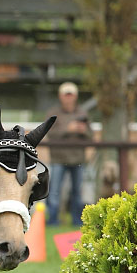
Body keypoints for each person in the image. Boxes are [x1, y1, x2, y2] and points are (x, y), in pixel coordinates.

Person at [45, 81, 93, 226]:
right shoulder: (53, 113)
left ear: (75, 96)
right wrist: (69, 129)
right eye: (66, 95)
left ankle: (77, 221)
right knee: (54, 192)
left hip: (78, 159)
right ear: (61, 96)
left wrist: (84, 131)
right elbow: (48, 133)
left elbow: (91, 135)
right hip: (58, 159)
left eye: (71, 95)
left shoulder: (83, 113)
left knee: (77, 193)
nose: (68, 98)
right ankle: (53, 220)